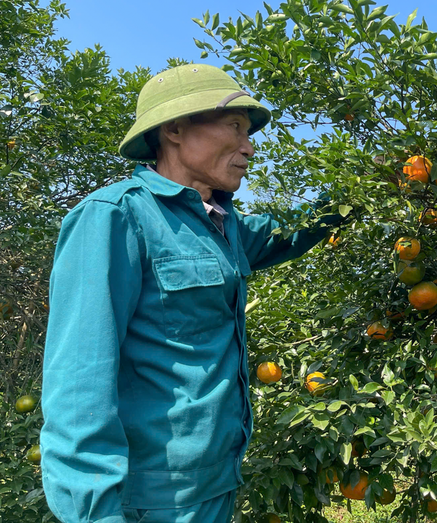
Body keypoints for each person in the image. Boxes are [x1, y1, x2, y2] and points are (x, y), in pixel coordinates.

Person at [41, 64, 343, 523]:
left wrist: (357, 193)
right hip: (147, 499)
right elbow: (79, 384)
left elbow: (290, 232)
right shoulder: (114, 216)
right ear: (175, 129)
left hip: (215, 483)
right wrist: (94, 513)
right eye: (236, 127)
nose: (249, 146)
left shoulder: (223, 226)